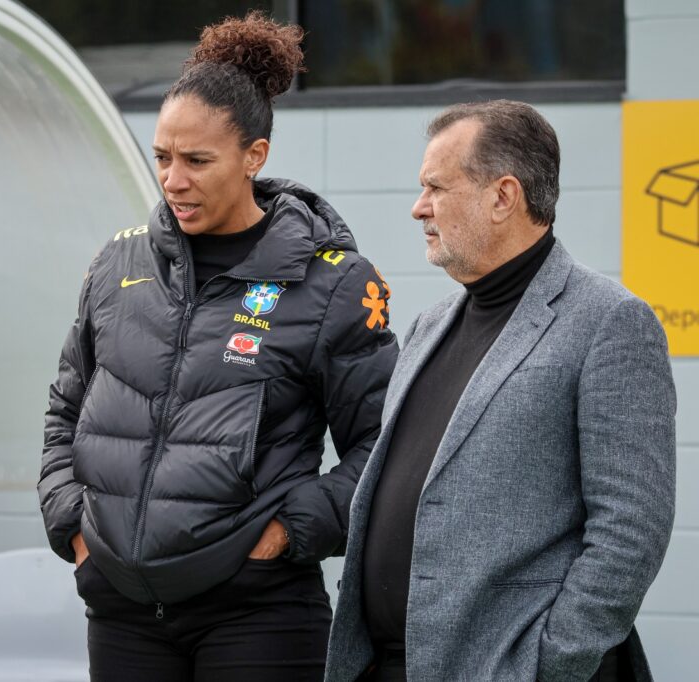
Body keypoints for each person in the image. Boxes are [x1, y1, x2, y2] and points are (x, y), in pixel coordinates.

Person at [38, 12, 398, 682]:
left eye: (197, 161)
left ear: (254, 156)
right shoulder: (117, 265)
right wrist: (73, 524)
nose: (173, 180)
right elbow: (65, 412)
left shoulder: (333, 283)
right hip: (121, 612)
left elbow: (382, 446)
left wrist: (289, 532)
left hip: (257, 613)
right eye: (163, 158)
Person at [325, 100, 677, 682]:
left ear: (503, 196)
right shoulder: (429, 325)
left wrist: (549, 661)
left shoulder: (609, 322)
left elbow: (631, 529)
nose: (419, 207)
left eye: (436, 187)